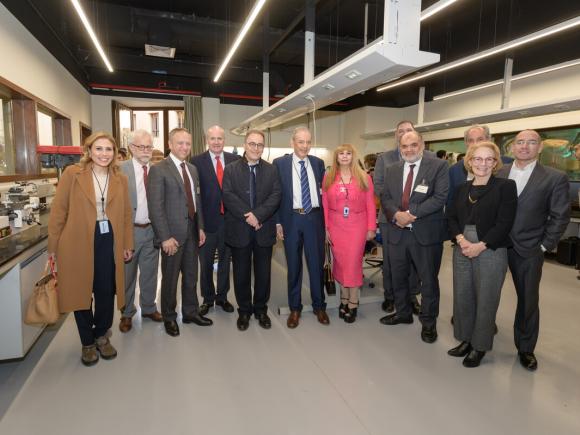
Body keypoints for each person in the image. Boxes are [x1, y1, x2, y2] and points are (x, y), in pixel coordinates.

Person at [48, 132, 134, 366]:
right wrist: (52, 247)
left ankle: (101, 336)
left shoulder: (120, 179)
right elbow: (59, 211)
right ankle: (87, 342)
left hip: (109, 240)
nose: (104, 154)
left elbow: (126, 214)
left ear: (115, 153)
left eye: (108, 149)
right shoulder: (73, 174)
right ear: (89, 150)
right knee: (80, 291)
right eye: (99, 149)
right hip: (75, 240)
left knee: (106, 290)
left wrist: (127, 243)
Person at [497, 129, 570, 371]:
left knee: (528, 300)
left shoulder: (554, 177)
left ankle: (525, 348)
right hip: (495, 245)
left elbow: (560, 216)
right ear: (512, 147)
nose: (525, 146)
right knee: (486, 293)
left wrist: (545, 245)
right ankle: (480, 337)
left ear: (540, 148)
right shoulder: (499, 172)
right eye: (520, 142)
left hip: (529, 248)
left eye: (531, 142)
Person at [446, 142, 517, 367]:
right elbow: (451, 217)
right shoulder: (461, 189)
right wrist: (461, 239)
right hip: (462, 246)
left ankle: (480, 346)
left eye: (488, 159)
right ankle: (466, 339)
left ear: (495, 163)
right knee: (463, 295)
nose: (482, 164)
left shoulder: (505, 186)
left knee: (486, 298)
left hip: (491, 249)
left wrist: (481, 245)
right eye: (478, 158)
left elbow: (505, 222)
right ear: (469, 161)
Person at [379, 131, 448, 344]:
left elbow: (440, 197)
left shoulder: (438, 166)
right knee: (398, 276)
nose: (409, 149)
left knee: (428, 282)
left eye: (414, 145)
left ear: (422, 144)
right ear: (399, 147)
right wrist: (396, 214)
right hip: (397, 232)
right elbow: (386, 196)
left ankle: (428, 324)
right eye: (404, 146)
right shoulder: (392, 169)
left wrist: (411, 214)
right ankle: (403, 313)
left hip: (425, 235)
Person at [147, 127, 212, 337]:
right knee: (170, 279)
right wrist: (165, 237)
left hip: (192, 232)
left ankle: (191, 312)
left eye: (187, 143)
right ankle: (169, 316)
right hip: (172, 237)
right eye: (180, 143)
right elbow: (155, 207)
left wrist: (200, 226)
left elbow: (197, 201)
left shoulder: (192, 169)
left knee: (191, 276)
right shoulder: (159, 169)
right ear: (170, 144)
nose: (184, 147)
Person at [222, 129, 281, 331]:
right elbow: (228, 196)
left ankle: (261, 310)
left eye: (260, 145)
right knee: (241, 273)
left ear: (263, 147)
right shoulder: (230, 169)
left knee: (264, 273)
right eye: (252, 144)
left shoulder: (272, 170)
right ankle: (244, 311)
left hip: (264, 230)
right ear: (245, 145)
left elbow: (276, 195)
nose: (256, 148)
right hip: (240, 230)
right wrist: (249, 216)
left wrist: (259, 216)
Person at [374, 121, 433, 315]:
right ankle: (391, 296)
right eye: (401, 132)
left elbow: (433, 192)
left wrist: (411, 213)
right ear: (396, 136)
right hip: (390, 218)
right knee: (392, 263)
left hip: (418, 219)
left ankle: (412, 296)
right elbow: (379, 186)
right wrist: (397, 213)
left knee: (416, 263)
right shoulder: (385, 158)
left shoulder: (430, 158)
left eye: (409, 131)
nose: (405, 134)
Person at [273, 126, 328, 329]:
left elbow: (325, 195)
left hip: (314, 219)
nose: (305, 146)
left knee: (316, 266)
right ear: (292, 143)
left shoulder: (318, 163)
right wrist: (277, 222)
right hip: (291, 219)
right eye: (301, 142)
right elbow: (275, 195)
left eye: (308, 142)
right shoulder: (280, 164)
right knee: (294, 267)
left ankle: (319, 306)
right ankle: (295, 308)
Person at [322, 144, 376, 323]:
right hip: (336, 226)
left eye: (348, 153)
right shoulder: (328, 177)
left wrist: (371, 228)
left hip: (357, 226)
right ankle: (343, 299)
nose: (344, 157)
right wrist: (326, 228)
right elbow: (324, 206)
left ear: (353, 156)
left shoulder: (364, 177)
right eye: (341, 154)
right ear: (336, 157)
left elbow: (370, 204)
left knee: (352, 264)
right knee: (340, 264)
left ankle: (353, 302)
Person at [191, 125, 239, 316]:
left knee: (226, 262)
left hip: (229, 222)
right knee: (206, 263)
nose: (217, 142)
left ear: (224, 140)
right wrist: (199, 226)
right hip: (207, 224)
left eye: (220, 138)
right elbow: (196, 198)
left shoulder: (235, 160)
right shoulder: (196, 162)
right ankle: (207, 298)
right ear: (206, 140)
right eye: (213, 139)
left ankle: (222, 297)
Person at [118, 130, 162, 333]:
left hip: (151, 231)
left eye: (149, 146)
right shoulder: (119, 170)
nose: (146, 151)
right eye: (141, 147)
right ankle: (127, 313)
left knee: (150, 273)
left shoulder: (157, 170)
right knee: (127, 276)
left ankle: (149, 308)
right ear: (131, 148)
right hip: (130, 232)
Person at [447, 125, 513, 208]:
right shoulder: (454, 170)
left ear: (489, 140)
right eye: (471, 140)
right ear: (466, 143)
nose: (475, 144)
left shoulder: (507, 164)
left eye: (480, 139)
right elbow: (451, 201)